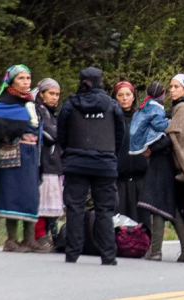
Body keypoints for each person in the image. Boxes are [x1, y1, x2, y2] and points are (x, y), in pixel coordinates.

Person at [0, 64, 50, 253]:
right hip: (11, 156)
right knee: (12, 195)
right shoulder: (3, 103)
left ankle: (29, 239)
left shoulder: (31, 103)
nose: (25, 83)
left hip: (31, 156)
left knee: (31, 195)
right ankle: (11, 239)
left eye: (28, 79)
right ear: (11, 81)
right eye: (21, 79)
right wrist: (7, 132)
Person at [57, 67, 125, 265]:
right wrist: (110, 155)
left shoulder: (71, 104)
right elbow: (120, 134)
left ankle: (72, 253)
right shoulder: (112, 105)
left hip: (76, 163)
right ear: (100, 82)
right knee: (105, 210)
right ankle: (108, 256)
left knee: (75, 208)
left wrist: (70, 153)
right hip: (104, 163)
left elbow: (62, 133)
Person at [139, 74, 184, 263]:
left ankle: (159, 250)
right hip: (170, 162)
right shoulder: (180, 108)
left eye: (177, 87)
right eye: (171, 86)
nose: (172, 90)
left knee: (159, 204)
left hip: (168, 161)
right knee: (166, 206)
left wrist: (150, 149)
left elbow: (172, 137)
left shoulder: (183, 108)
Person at [32, 78, 64, 247]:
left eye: (57, 94)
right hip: (44, 163)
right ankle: (39, 236)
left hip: (54, 163)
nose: (54, 97)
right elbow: (52, 135)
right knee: (43, 202)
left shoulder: (52, 113)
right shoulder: (39, 112)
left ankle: (50, 235)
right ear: (42, 94)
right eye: (51, 93)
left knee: (51, 203)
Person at [113, 81, 149, 226]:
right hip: (119, 176)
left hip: (140, 176)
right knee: (120, 219)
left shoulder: (142, 117)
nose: (124, 98)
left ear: (133, 97)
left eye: (128, 95)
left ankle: (143, 245)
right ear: (115, 97)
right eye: (120, 95)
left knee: (141, 218)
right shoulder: (112, 118)